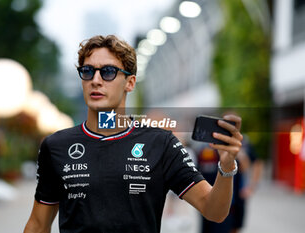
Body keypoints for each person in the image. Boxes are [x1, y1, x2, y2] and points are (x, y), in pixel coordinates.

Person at [24, 35, 243, 233]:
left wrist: (226, 167)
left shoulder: (161, 143)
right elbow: (38, 224)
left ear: (130, 83)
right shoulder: (56, 145)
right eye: (88, 71)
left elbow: (214, 211)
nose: (96, 80)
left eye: (108, 72)